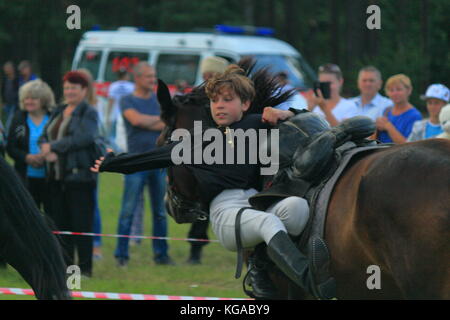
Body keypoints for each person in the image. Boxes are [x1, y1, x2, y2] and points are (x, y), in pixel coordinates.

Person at [92, 65, 336, 300]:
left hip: (257, 203)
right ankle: (311, 279)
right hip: (225, 211)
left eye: (227, 100)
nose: (219, 105)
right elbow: (154, 157)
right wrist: (111, 163)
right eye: (215, 101)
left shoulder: (258, 124)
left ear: (246, 104)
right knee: (269, 222)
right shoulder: (200, 142)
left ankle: (260, 265)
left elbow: (309, 123)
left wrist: (287, 113)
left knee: (298, 207)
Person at [39, 70, 100, 277]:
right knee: (60, 224)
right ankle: (65, 269)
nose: (69, 91)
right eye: (66, 87)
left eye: (74, 87)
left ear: (84, 90)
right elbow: (44, 136)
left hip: (79, 177)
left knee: (81, 224)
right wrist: (46, 150)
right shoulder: (59, 109)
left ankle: (84, 269)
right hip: (55, 177)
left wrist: (54, 147)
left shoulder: (89, 112)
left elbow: (84, 138)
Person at [113, 61, 172, 266]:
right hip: (135, 163)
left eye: (153, 75)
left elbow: (169, 121)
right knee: (127, 211)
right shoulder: (126, 100)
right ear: (137, 78)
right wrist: (158, 120)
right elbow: (136, 121)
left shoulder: (159, 100)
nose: (153, 80)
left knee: (160, 212)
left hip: (157, 162)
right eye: (148, 76)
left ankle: (161, 255)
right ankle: (121, 255)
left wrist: (154, 121)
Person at [185, 56, 229, 265]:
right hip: (202, 158)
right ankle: (195, 250)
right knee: (201, 207)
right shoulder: (195, 98)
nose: (206, 79)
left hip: (226, 159)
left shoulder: (228, 98)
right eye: (205, 75)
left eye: (211, 75)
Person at [6, 80, 54, 212]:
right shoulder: (18, 118)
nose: (29, 101)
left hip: (50, 179)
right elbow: (10, 147)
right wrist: (27, 157)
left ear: (43, 100)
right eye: (26, 98)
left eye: (33, 98)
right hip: (25, 178)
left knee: (52, 216)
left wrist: (46, 155)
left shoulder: (53, 118)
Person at [376, 74, 422, 143]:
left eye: (399, 89)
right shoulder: (387, 110)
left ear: (409, 90)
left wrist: (388, 127)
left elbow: (409, 146)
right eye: (391, 90)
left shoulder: (415, 116)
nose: (395, 93)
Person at [2, 61, 20, 135]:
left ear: (12, 69)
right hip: (7, 105)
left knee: (9, 123)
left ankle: (7, 138)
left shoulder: (17, 79)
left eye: (7, 68)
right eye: (5, 68)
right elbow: (3, 91)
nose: (6, 70)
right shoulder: (5, 79)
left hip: (15, 105)